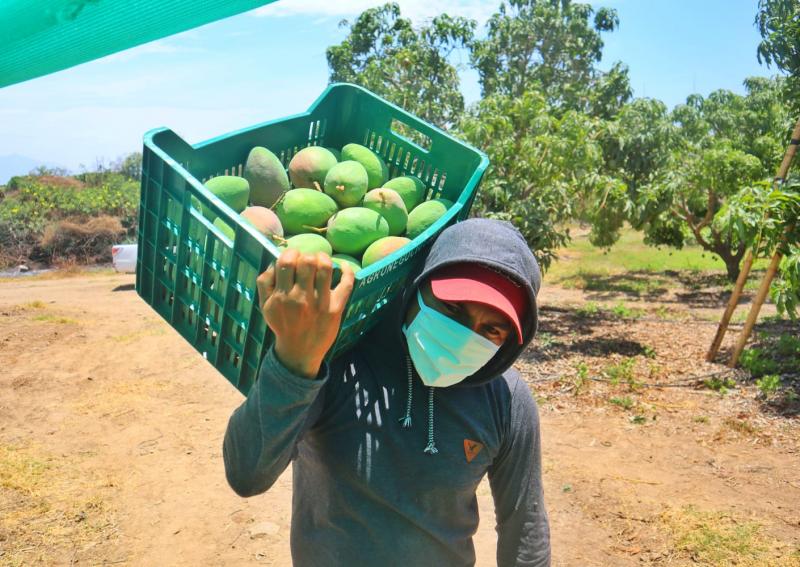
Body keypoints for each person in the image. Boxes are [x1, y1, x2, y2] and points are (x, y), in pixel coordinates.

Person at [223, 218, 551, 566]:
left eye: (492, 330)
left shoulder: (506, 400)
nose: (463, 336)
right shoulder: (343, 363)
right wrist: (294, 359)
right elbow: (247, 472)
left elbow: (524, 528)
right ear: (417, 286)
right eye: (452, 308)